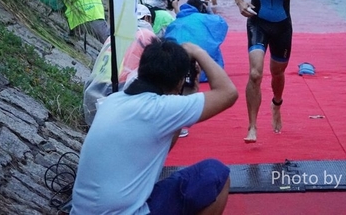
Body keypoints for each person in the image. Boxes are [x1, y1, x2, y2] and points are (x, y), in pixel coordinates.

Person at [71, 40, 238, 214]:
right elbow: (228, 93)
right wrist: (196, 50)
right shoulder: (159, 108)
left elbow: (161, 147)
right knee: (216, 173)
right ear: (180, 81)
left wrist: (182, 98)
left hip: (82, 211)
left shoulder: (113, 100)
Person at [223, 0, 310, 143]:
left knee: (277, 73)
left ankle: (276, 104)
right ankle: (252, 126)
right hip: (257, 22)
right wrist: (240, 2)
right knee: (255, 74)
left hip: (282, 26)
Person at [165, 0, 229, 82]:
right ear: (202, 8)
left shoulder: (174, 23)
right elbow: (222, 24)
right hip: (208, 72)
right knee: (212, 42)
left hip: (180, 73)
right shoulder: (206, 18)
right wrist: (210, 12)